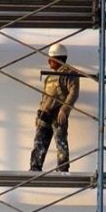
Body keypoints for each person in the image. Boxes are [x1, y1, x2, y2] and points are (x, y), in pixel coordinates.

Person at [29, 43, 81, 172]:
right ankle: (35, 166)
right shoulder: (50, 75)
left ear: (59, 59)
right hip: (45, 113)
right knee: (39, 142)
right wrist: (39, 112)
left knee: (60, 141)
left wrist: (65, 109)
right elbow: (45, 96)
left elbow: (73, 93)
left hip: (58, 114)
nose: (48, 61)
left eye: (51, 59)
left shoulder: (70, 73)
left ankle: (62, 167)